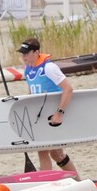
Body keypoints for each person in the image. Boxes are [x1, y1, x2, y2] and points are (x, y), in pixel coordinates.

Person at [17, 38, 77, 173]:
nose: (23, 56)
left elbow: (68, 89)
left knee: (46, 152)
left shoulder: (49, 68)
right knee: (55, 154)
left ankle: (48, 185)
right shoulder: (28, 69)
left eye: (26, 53)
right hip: (39, 117)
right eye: (22, 53)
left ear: (37, 52)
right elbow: (32, 92)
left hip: (52, 117)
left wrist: (59, 113)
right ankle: (78, 182)